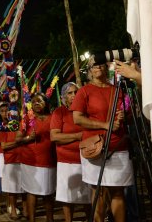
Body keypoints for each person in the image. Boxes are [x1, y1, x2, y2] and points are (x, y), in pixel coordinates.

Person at [71, 59, 133, 222]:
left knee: (118, 191)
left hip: (118, 146)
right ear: (89, 70)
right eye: (93, 65)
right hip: (95, 147)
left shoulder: (118, 90)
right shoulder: (84, 91)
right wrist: (106, 125)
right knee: (98, 190)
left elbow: (130, 113)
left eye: (100, 64)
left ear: (106, 68)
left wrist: (124, 116)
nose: (97, 67)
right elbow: (77, 119)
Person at [50, 82, 91, 222]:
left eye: (76, 92)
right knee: (67, 197)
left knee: (88, 196)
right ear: (63, 97)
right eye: (70, 93)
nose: (74, 95)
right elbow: (54, 137)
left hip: (86, 159)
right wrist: (77, 136)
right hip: (66, 162)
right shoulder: (59, 112)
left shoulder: (85, 111)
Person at [16, 92, 56, 222]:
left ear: (46, 103)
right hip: (30, 161)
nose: (37, 103)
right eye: (34, 101)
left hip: (49, 160)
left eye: (40, 101)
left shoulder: (53, 117)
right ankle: (31, 219)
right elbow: (18, 139)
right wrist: (29, 138)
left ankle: (50, 219)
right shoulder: (26, 119)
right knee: (31, 191)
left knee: (49, 192)